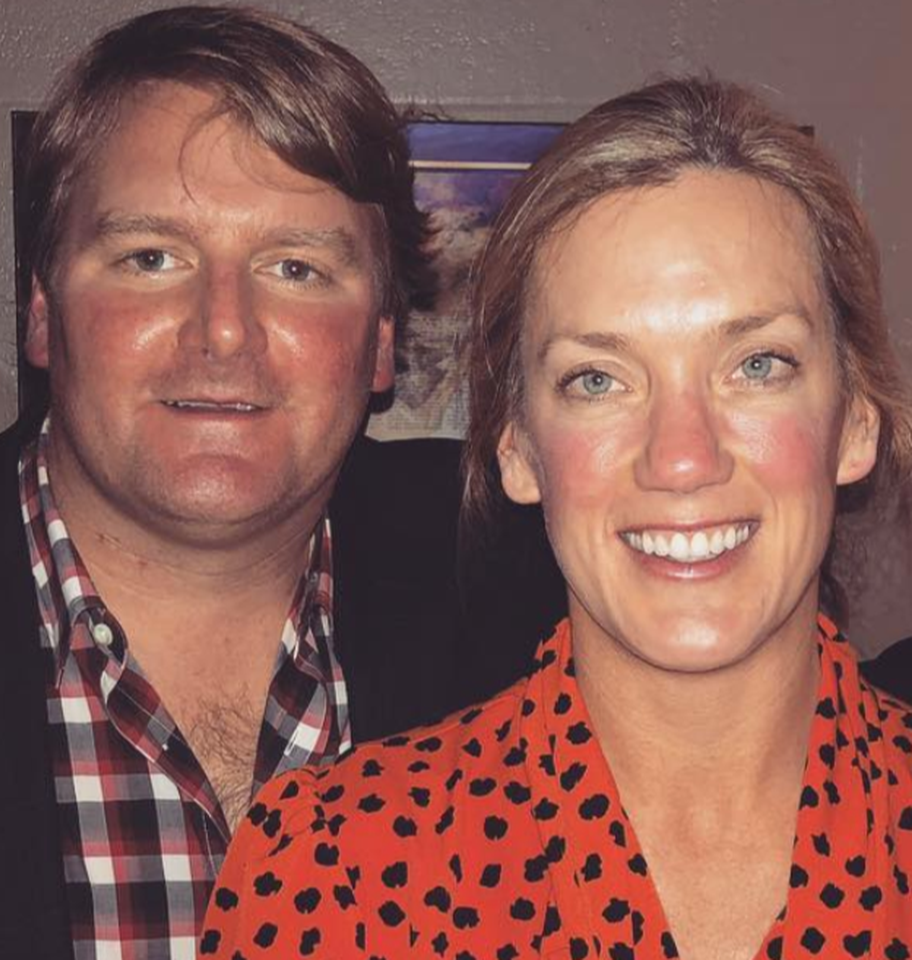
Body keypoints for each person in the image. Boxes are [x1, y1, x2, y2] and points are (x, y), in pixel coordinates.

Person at [201, 76, 912, 960]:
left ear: (856, 421)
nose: (682, 458)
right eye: (598, 380)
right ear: (519, 450)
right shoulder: (333, 869)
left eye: (757, 365)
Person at [0, 7, 559, 958]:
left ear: (383, 341)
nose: (225, 329)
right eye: (150, 258)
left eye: (297, 267)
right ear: (41, 311)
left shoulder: (530, 583)